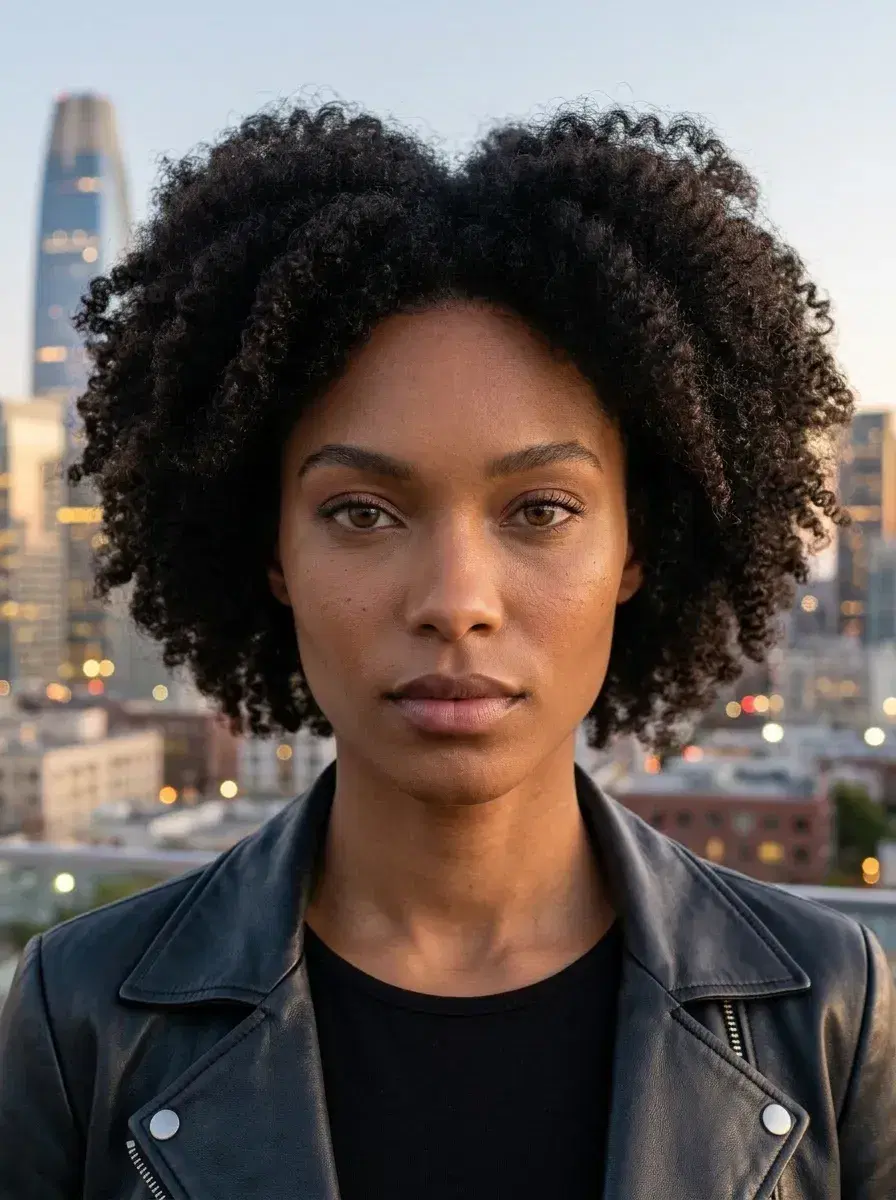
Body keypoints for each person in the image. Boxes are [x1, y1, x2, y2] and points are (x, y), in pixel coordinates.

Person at [0, 100, 892, 1200]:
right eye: (363, 512)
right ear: (267, 548)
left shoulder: (829, 1007)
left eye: (540, 509)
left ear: (636, 548)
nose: (455, 601)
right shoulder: (77, 1014)